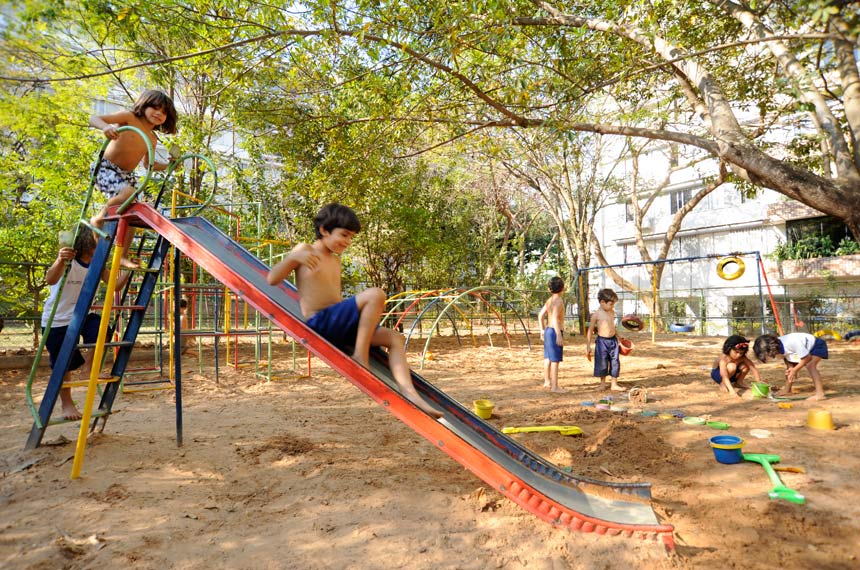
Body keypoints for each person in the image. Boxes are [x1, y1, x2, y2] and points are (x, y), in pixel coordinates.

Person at [267, 203, 443, 418]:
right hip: (321, 321)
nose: (348, 242)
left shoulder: (335, 260)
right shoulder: (304, 250)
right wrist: (293, 258)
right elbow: (272, 279)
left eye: (351, 237)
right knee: (376, 294)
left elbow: (336, 298)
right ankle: (360, 356)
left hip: (339, 323)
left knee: (394, 338)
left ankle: (410, 393)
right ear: (324, 230)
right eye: (344, 235)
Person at [41, 229, 129, 420]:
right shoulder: (69, 261)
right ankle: (67, 404)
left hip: (82, 314)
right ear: (87, 243)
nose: (104, 242)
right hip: (57, 319)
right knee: (63, 365)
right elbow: (50, 279)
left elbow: (115, 285)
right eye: (99, 238)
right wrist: (59, 260)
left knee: (102, 330)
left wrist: (130, 269)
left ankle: (88, 370)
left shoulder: (98, 266)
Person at [89, 89, 179, 268]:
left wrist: (170, 165)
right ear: (144, 105)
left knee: (132, 211)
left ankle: (121, 255)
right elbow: (94, 118)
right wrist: (106, 127)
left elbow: (148, 165)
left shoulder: (152, 139)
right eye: (155, 108)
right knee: (129, 192)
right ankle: (99, 217)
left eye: (164, 112)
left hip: (126, 176)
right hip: (105, 168)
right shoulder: (128, 118)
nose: (159, 113)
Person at [753, 332, 828, 400]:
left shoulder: (791, 342)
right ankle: (787, 389)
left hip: (815, 345)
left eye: (767, 354)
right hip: (799, 351)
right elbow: (786, 358)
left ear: (771, 348)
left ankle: (820, 394)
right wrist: (791, 368)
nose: (769, 356)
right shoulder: (776, 348)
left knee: (810, 366)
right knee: (789, 369)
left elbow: (807, 358)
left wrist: (795, 370)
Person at [586, 288, 625, 392]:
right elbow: (590, 331)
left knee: (615, 361)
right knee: (602, 362)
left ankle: (614, 384)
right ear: (602, 302)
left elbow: (612, 327)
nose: (612, 307)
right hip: (601, 342)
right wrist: (588, 346)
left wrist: (618, 336)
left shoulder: (611, 312)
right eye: (611, 304)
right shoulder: (596, 315)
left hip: (613, 341)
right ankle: (602, 384)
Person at [537, 276, 565, 393]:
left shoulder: (549, 301)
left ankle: (547, 381)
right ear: (563, 288)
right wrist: (558, 335)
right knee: (555, 360)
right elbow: (554, 319)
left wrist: (542, 329)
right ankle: (554, 387)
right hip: (554, 331)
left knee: (548, 357)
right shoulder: (559, 301)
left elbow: (540, 315)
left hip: (548, 330)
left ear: (549, 289)